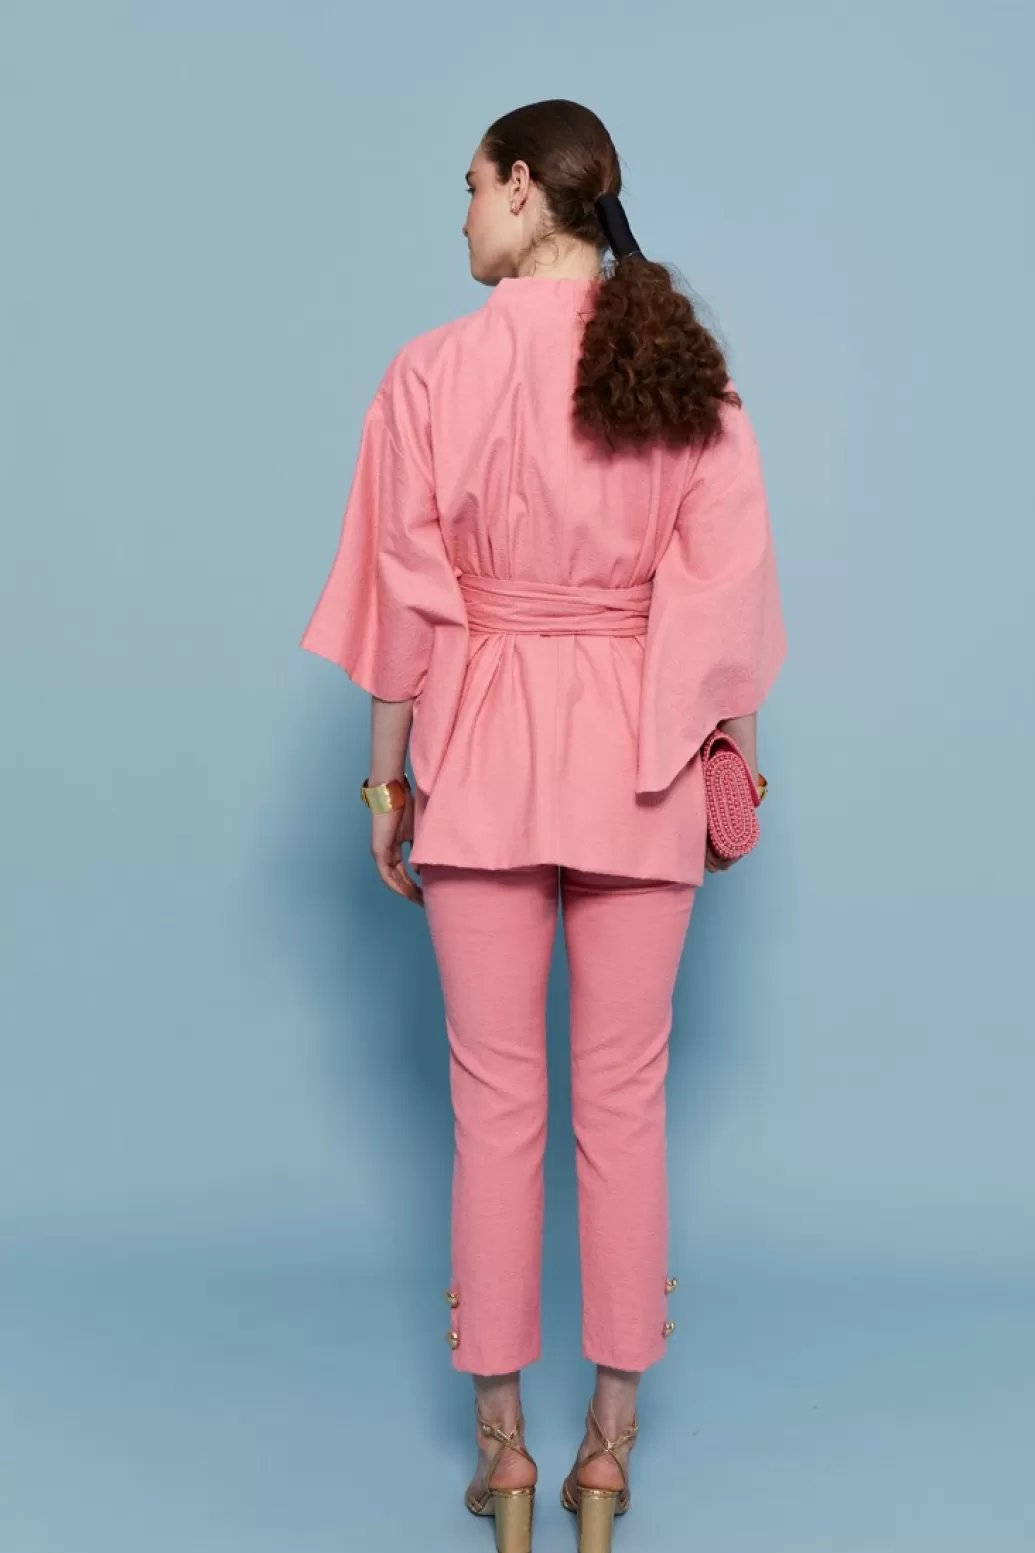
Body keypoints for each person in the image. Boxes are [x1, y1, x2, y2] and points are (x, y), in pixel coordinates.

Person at [300, 98, 787, 1553]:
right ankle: (607, 1461)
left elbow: (406, 602)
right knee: (623, 1108)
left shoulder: (429, 372)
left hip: (487, 753)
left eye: (468, 187)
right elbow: (722, 606)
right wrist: (725, 765)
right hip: (641, 758)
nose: (460, 216)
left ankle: (502, 1455)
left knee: (493, 1110)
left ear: (523, 189)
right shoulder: (684, 374)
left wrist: (386, 786)